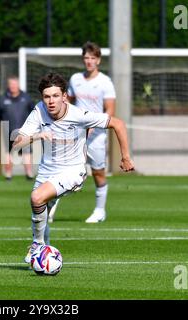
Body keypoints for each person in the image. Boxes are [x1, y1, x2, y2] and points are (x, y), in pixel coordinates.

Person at [12, 73, 134, 263]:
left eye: (55, 96)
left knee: (37, 197)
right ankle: (42, 253)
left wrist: (125, 156)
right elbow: (16, 143)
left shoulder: (78, 115)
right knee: (40, 208)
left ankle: (37, 245)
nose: (51, 101)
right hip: (46, 171)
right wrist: (38, 135)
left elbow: (118, 124)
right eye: (46, 96)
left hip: (72, 171)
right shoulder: (39, 110)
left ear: (64, 97)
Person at [57, 41, 117, 224]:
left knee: (98, 173)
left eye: (92, 58)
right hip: (75, 135)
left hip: (97, 137)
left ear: (98, 60)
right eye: (86, 58)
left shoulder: (105, 82)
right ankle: (50, 206)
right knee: (62, 169)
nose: (89, 61)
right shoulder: (75, 79)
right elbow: (68, 101)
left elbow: (110, 111)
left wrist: (94, 126)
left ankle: (100, 211)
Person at [0, 76, 35, 180]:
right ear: (8, 85)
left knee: (26, 151)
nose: (13, 86)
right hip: (8, 128)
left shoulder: (26, 97)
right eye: (11, 84)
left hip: (24, 130)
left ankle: (29, 174)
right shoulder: (2, 98)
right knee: (8, 152)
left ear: (18, 85)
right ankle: (8, 175)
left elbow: (32, 111)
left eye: (15, 84)